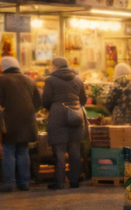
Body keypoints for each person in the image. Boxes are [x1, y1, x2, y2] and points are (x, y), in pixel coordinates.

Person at [41, 57, 88, 189]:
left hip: (58, 115)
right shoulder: (78, 79)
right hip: (76, 116)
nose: (50, 68)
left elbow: (45, 100)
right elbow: (83, 99)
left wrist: (55, 106)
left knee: (60, 151)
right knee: (75, 150)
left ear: (56, 66)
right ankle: (74, 181)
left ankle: (59, 182)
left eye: (51, 66)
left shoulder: (50, 80)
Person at [0, 56, 41, 192]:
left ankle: (9, 184)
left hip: (9, 122)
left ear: (3, 67)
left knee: (8, 153)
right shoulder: (29, 80)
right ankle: (24, 183)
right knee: (23, 152)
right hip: (27, 121)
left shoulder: (2, 80)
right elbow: (38, 102)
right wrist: (29, 112)